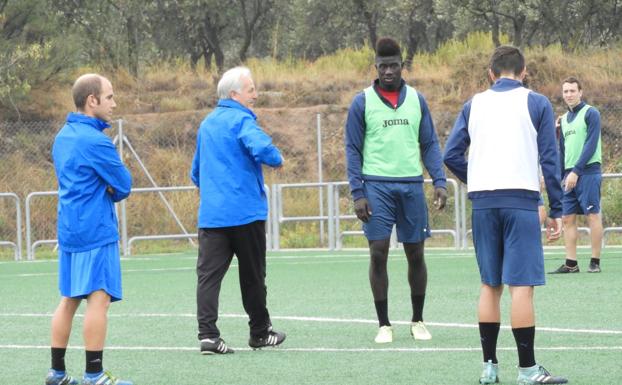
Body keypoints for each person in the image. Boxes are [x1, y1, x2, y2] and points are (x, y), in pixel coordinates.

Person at [443, 46, 568, 384]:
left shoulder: (473, 104)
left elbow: (450, 154)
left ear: (491, 73)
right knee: (522, 287)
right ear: (524, 71)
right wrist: (556, 207)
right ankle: (527, 370)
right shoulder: (537, 102)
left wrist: (478, 178)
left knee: (489, 284)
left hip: (483, 202)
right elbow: (550, 159)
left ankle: (489, 367)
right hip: (521, 200)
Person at [345, 37, 447, 344]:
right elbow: (352, 149)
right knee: (378, 252)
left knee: (416, 253)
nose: (388, 71)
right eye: (383, 66)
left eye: (393, 65)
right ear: (375, 67)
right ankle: (384, 324)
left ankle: (417, 319)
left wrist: (439, 181)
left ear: (402, 65)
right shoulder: (362, 102)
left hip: (411, 185)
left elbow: (429, 143)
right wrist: (357, 193)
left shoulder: (417, 99)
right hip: (376, 186)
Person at [190, 66, 285, 354]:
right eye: (251, 89)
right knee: (253, 275)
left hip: (212, 216)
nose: (255, 94)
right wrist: (276, 158)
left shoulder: (206, 125)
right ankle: (259, 332)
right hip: (245, 213)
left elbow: (196, 173)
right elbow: (263, 150)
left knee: (208, 277)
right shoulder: (242, 121)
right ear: (234, 94)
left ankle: (208, 335)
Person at [46, 74, 133, 385]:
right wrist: (108, 190)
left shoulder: (63, 136)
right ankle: (94, 374)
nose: (114, 103)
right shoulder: (95, 140)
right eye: (108, 97)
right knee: (100, 298)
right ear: (91, 100)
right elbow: (123, 185)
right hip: (95, 229)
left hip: (69, 229)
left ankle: (56, 372)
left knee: (68, 298)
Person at [550, 77, 603, 274]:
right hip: (569, 175)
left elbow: (590, 145)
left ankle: (595, 261)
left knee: (592, 215)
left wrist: (576, 171)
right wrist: (564, 174)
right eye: (566, 91)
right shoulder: (562, 120)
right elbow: (562, 150)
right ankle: (571, 264)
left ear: (580, 92)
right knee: (567, 219)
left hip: (587, 171)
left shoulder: (591, 113)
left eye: (573, 91)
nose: (569, 95)